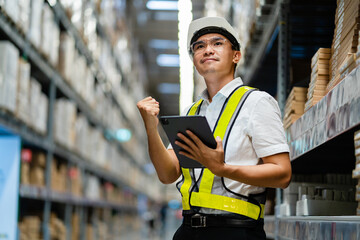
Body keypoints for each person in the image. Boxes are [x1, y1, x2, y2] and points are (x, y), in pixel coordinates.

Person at [137, 16, 292, 240]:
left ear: (236, 55)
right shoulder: (192, 112)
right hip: (188, 231)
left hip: (236, 231)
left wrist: (223, 169)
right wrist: (152, 129)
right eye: (199, 46)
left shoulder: (257, 102)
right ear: (194, 60)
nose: (207, 50)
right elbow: (167, 173)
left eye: (217, 43)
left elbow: (282, 173)